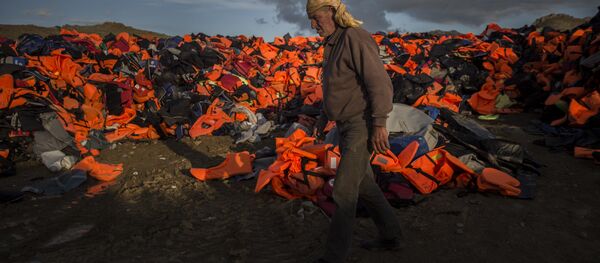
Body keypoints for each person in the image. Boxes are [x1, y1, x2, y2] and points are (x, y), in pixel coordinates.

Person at [306, 0, 402, 262]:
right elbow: (335, 87)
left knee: (344, 192)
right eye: (310, 20)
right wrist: (323, 117)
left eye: (316, 18)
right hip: (345, 125)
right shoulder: (333, 44)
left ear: (333, 12)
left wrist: (380, 123)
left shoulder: (354, 37)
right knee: (365, 185)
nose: (313, 25)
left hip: (361, 125)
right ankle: (392, 235)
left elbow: (379, 83)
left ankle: (333, 257)